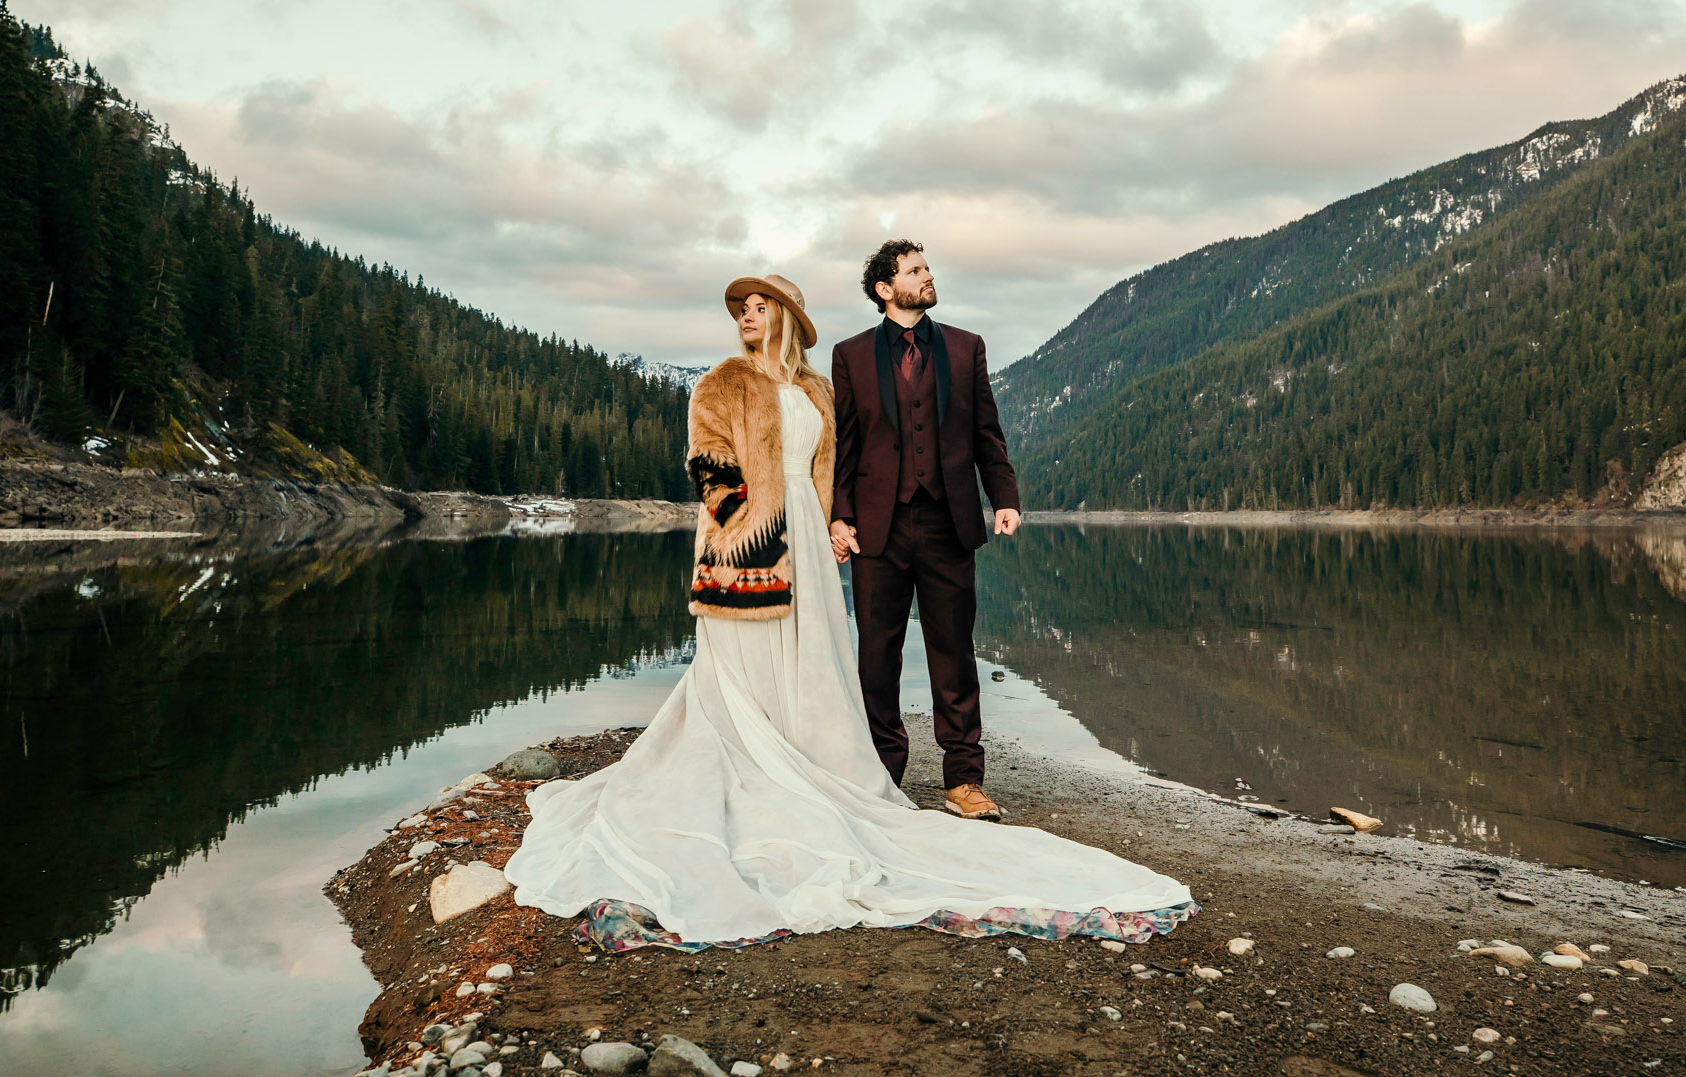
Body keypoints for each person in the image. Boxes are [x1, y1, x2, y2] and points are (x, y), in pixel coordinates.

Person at [504, 273, 1193, 952]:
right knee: (743, 670)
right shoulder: (721, 382)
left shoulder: (815, 390)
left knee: (814, 661)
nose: (745, 315)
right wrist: (744, 530)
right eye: (740, 307)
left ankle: (830, 765)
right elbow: (708, 465)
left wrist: (836, 523)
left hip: (810, 534)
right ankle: (755, 765)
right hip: (751, 542)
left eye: (757, 306)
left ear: (786, 319)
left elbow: (840, 466)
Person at [828, 240, 1017, 820]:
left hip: (948, 522)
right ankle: (883, 775)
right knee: (876, 659)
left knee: (954, 654)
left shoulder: (965, 348)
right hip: (876, 530)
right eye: (915, 271)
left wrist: (1003, 498)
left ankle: (963, 780)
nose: (928, 277)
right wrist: (839, 514)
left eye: (927, 268)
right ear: (885, 289)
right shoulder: (850, 355)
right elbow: (845, 444)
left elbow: (988, 432)